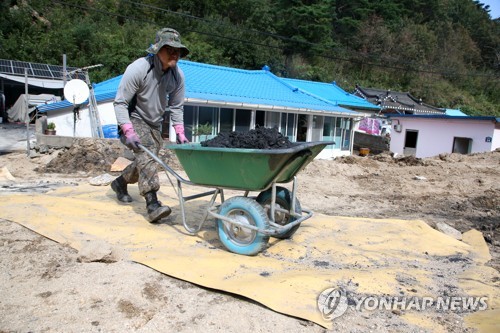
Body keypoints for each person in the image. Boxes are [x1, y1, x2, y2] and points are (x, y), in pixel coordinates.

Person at [111, 28, 190, 223]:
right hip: (134, 119)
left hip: (155, 123)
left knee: (146, 160)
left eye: (177, 50)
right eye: (170, 49)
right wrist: (127, 130)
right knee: (147, 158)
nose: (175, 54)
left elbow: (177, 106)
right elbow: (120, 102)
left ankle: (120, 183)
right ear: (158, 49)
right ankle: (152, 203)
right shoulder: (139, 68)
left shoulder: (177, 76)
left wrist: (179, 130)